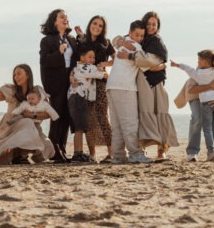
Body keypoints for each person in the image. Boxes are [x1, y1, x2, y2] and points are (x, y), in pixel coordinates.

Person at [118, 11, 179, 160]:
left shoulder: (156, 41)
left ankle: (161, 150)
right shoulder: (139, 37)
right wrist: (122, 42)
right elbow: (117, 40)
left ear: (158, 26)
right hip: (140, 81)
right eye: (149, 24)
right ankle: (142, 149)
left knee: (160, 111)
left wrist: (131, 56)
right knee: (143, 112)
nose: (151, 27)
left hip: (155, 82)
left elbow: (149, 61)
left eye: (154, 24)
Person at [0, 64, 55, 165]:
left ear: (28, 75)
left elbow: (48, 113)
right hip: (11, 125)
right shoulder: (11, 90)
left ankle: (22, 155)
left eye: (19, 74)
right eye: (14, 75)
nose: (16, 77)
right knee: (27, 122)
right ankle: (20, 156)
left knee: (48, 147)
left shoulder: (38, 91)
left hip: (33, 127)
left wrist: (32, 115)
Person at [106, 21, 153, 164]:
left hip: (111, 86)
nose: (139, 38)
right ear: (130, 32)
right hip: (124, 87)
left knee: (117, 125)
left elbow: (115, 40)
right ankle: (135, 154)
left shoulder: (123, 42)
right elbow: (147, 65)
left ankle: (118, 155)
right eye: (136, 35)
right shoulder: (136, 47)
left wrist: (121, 41)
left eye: (141, 36)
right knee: (130, 122)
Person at [172, 50, 214, 161]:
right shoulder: (207, 72)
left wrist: (177, 65)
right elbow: (191, 90)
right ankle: (195, 152)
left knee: (212, 126)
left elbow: (188, 68)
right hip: (196, 96)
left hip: (210, 100)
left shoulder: (209, 72)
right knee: (200, 120)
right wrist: (210, 86)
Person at [39, 8, 79, 163]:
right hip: (55, 83)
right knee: (57, 116)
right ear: (54, 21)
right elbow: (44, 62)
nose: (65, 19)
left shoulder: (71, 39)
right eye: (62, 17)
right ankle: (54, 151)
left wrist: (81, 38)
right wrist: (59, 53)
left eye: (66, 17)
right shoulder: (47, 40)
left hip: (70, 81)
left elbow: (78, 57)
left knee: (67, 116)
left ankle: (62, 149)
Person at [75, 15, 115, 163]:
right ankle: (92, 154)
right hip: (85, 83)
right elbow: (77, 60)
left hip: (101, 83)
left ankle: (111, 153)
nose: (97, 27)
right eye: (95, 23)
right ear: (90, 24)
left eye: (100, 25)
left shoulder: (106, 42)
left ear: (103, 29)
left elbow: (116, 58)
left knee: (103, 116)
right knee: (89, 118)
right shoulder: (82, 41)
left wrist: (104, 64)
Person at [68, 48, 108, 162]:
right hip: (80, 98)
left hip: (73, 98)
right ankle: (77, 154)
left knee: (78, 128)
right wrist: (102, 69)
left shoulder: (76, 68)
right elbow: (104, 75)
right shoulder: (89, 67)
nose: (92, 59)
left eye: (93, 57)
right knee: (79, 128)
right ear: (82, 58)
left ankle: (78, 152)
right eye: (90, 57)